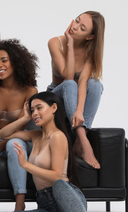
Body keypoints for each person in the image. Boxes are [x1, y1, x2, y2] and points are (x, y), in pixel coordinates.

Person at [0, 92, 108, 212]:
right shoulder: (35, 136)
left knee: (58, 184)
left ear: (54, 108)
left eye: (39, 108)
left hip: (67, 199)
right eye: (32, 110)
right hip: (46, 206)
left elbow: (57, 176)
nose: (35, 113)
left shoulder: (58, 136)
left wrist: (26, 165)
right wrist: (24, 117)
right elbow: (3, 135)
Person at [0, 39, 39, 212]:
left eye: (4, 60)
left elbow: (20, 128)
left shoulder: (30, 91)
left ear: (16, 61)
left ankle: (20, 202)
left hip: (18, 136)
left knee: (14, 145)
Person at [47, 11, 105, 169]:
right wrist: (70, 45)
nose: (75, 27)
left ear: (90, 36)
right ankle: (85, 145)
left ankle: (79, 139)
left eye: (82, 27)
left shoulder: (90, 52)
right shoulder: (55, 42)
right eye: (77, 21)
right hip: (55, 97)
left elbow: (84, 82)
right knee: (71, 84)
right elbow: (68, 76)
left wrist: (79, 110)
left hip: (75, 98)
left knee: (96, 84)